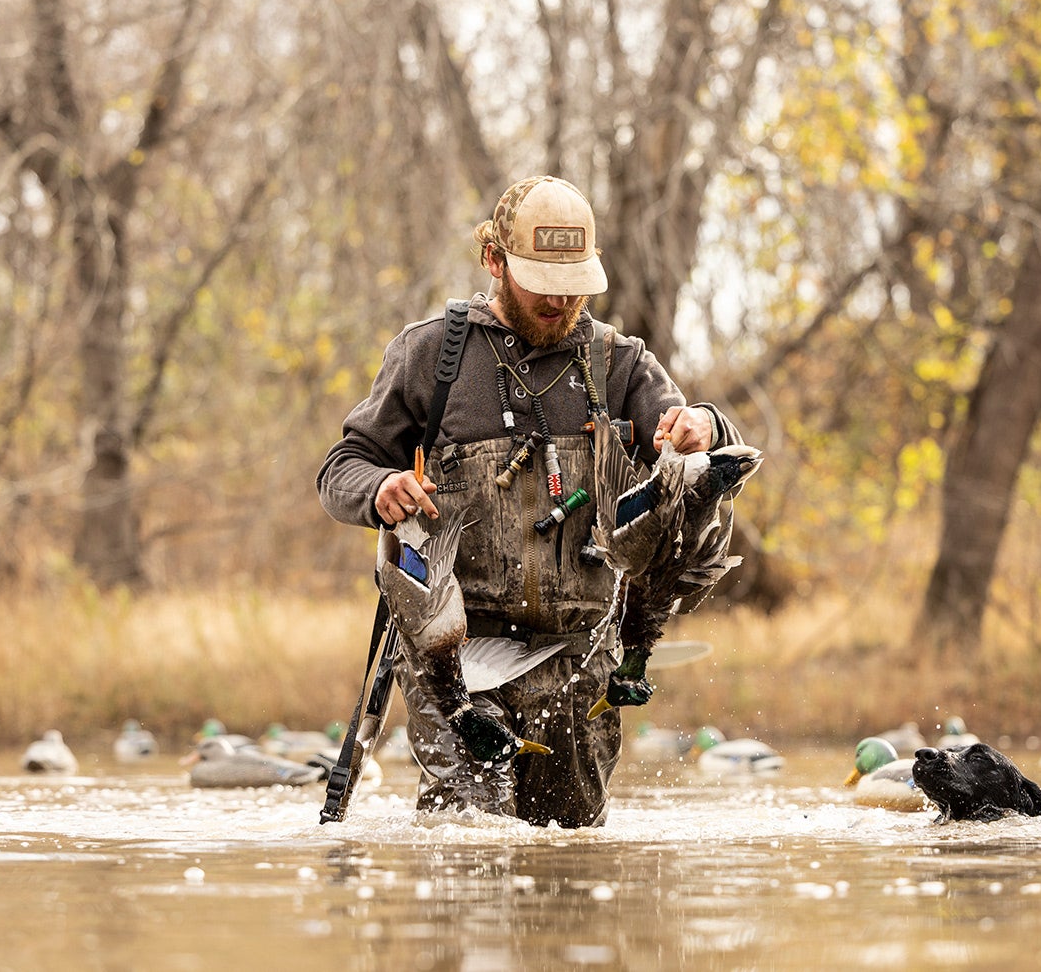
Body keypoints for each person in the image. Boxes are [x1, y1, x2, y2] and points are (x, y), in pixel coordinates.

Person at [316, 175, 745, 827]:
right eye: (540, 279)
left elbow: (707, 460)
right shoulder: (431, 354)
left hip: (579, 666)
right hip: (452, 658)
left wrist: (704, 427)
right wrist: (378, 488)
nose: (559, 298)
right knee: (470, 850)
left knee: (569, 868)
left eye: (573, 281)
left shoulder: (620, 364)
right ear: (493, 260)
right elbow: (341, 467)